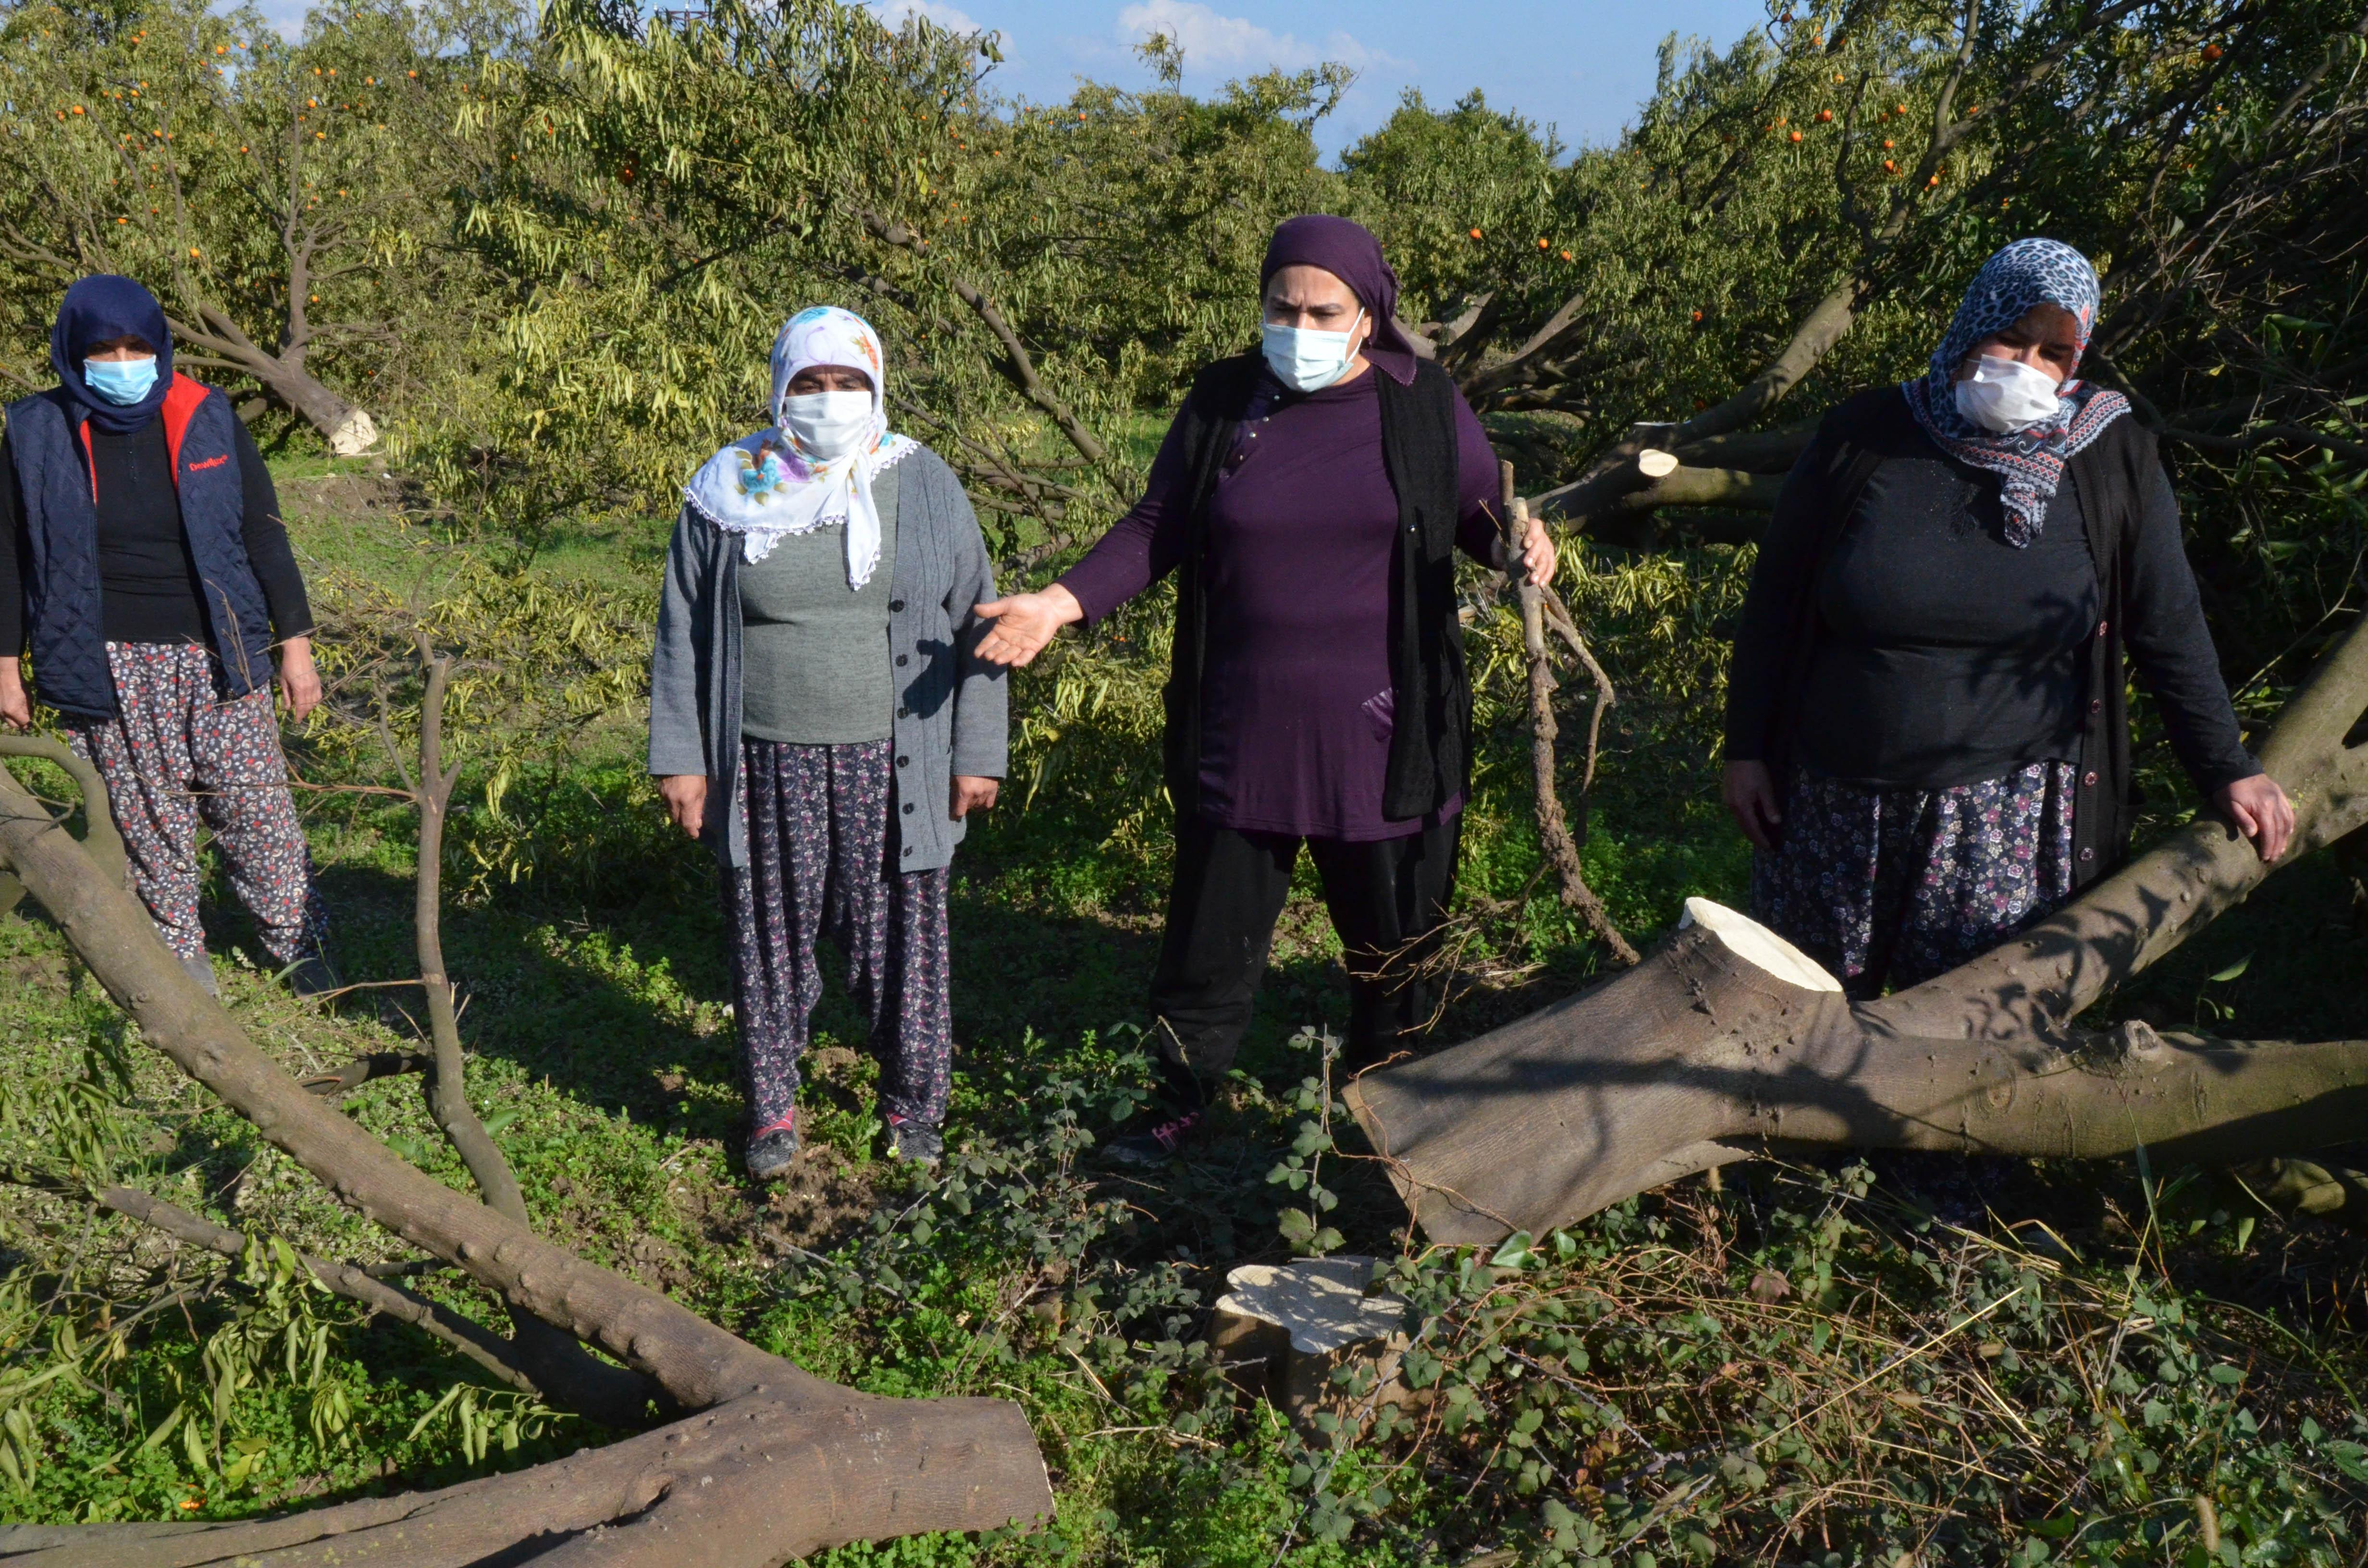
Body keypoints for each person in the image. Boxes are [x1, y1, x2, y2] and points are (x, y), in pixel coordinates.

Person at [972, 214, 1554, 1164]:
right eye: (1282, 306)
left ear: (1368, 317)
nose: (1300, 324)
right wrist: (1061, 602)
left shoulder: (1422, 405)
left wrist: (1524, 545)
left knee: (1394, 941)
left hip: (1385, 731)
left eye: (1324, 310)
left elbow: (1480, 519)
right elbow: (1158, 526)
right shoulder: (1224, 402)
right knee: (1211, 938)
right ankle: (1174, 1100)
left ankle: (1384, 1106)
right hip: (1245, 725)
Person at [1723, 237, 2294, 996]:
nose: (2027, 367)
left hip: (2005, 827)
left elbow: (2167, 623)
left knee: (1962, 1048)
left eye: (2055, 352)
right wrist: (1746, 749)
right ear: (1970, 326)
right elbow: (1776, 603)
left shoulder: (2109, 454)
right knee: (1798, 1027)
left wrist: (2229, 767)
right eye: (2010, 337)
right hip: (1835, 806)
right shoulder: (1864, 436)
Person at [649, 306, 1006, 1181]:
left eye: (850, 382)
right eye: (811, 383)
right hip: (766, 758)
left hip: (898, 763)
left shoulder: (922, 482)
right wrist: (682, 758)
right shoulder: (730, 485)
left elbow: (979, 619)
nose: (831, 400)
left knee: (902, 940)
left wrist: (978, 749)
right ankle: (772, 1106)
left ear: (877, 387)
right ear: (781, 388)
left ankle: (914, 1104)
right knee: (768, 933)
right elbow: (682, 632)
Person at [0, 275, 332, 998]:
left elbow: (264, 539)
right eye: (103, 348)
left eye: (136, 346)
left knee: (257, 808)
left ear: (159, 346)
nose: (122, 361)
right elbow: (11, 556)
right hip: (103, 658)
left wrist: (296, 651)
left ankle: (298, 946)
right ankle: (184, 969)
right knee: (149, 820)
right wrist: (6, 667)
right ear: (70, 351)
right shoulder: (34, 431)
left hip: (218, 650)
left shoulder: (206, 416)